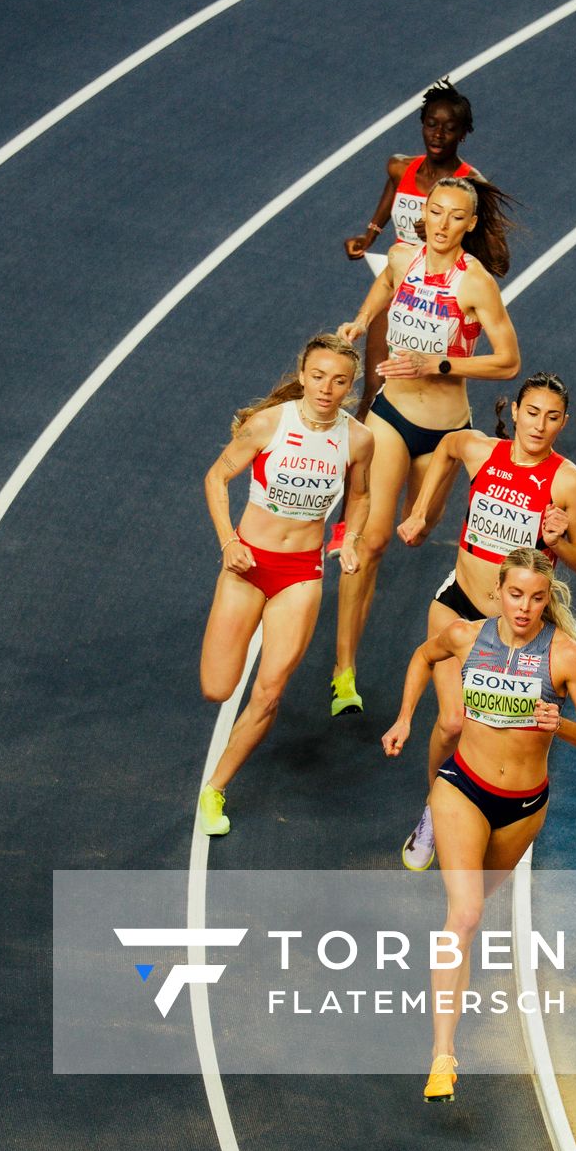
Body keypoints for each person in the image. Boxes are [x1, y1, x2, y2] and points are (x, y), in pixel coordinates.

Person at [381, 547, 576, 1102]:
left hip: (524, 806)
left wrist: (563, 726)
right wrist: (406, 717)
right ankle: (442, 1056)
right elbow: (420, 656)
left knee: (472, 913)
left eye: (535, 597)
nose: (524, 608)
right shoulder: (465, 636)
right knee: (464, 913)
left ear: (545, 597)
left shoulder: (566, 657)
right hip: (463, 786)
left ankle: (436, 833)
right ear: (498, 593)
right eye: (514, 595)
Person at [330, 174, 520, 718]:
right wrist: (361, 322)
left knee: (422, 528)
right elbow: (385, 286)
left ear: (470, 224)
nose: (441, 224)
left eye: (454, 216)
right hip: (392, 413)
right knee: (371, 541)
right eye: (435, 212)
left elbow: (507, 361)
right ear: (424, 212)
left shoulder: (475, 283)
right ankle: (344, 673)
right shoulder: (401, 257)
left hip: (446, 432)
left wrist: (436, 363)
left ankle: (422, 515)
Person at [394, 373, 576, 870]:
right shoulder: (482, 452)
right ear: (516, 412)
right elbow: (445, 447)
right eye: (532, 412)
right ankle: (435, 811)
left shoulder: (569, 481)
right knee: (452, 720)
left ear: (563, 423)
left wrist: (560, 540)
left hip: (515, 628)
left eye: (552, 417)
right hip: (459, 602)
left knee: (503, 723)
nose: (539, 425)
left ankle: (491, 811)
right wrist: (423, 512)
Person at [197, 335, 373, 836]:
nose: (326, 388)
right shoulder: (270, 423)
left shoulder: (357, 439)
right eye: (318, 376)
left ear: (349, 385)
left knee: (270, 691)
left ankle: (215, 788)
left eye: (339, 380)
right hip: (247, 565)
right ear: (302, 374)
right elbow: (215, 479)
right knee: (217, 688)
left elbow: (359, 497)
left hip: (301, 572)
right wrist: (229, 541)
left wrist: (351, 539)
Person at [342, 78, 482, 422]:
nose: (437, 134)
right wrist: (370, 236)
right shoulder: (400, 167)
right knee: (374, 389)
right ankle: (353, 475)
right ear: (422, 125)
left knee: (421, 396)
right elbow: (392, 193)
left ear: (463, 134)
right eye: (431, 125)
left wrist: (443, 234)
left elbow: (489, 249)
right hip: (397, 282)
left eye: (449, 128)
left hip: (439, 298)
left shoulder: (470, 185)